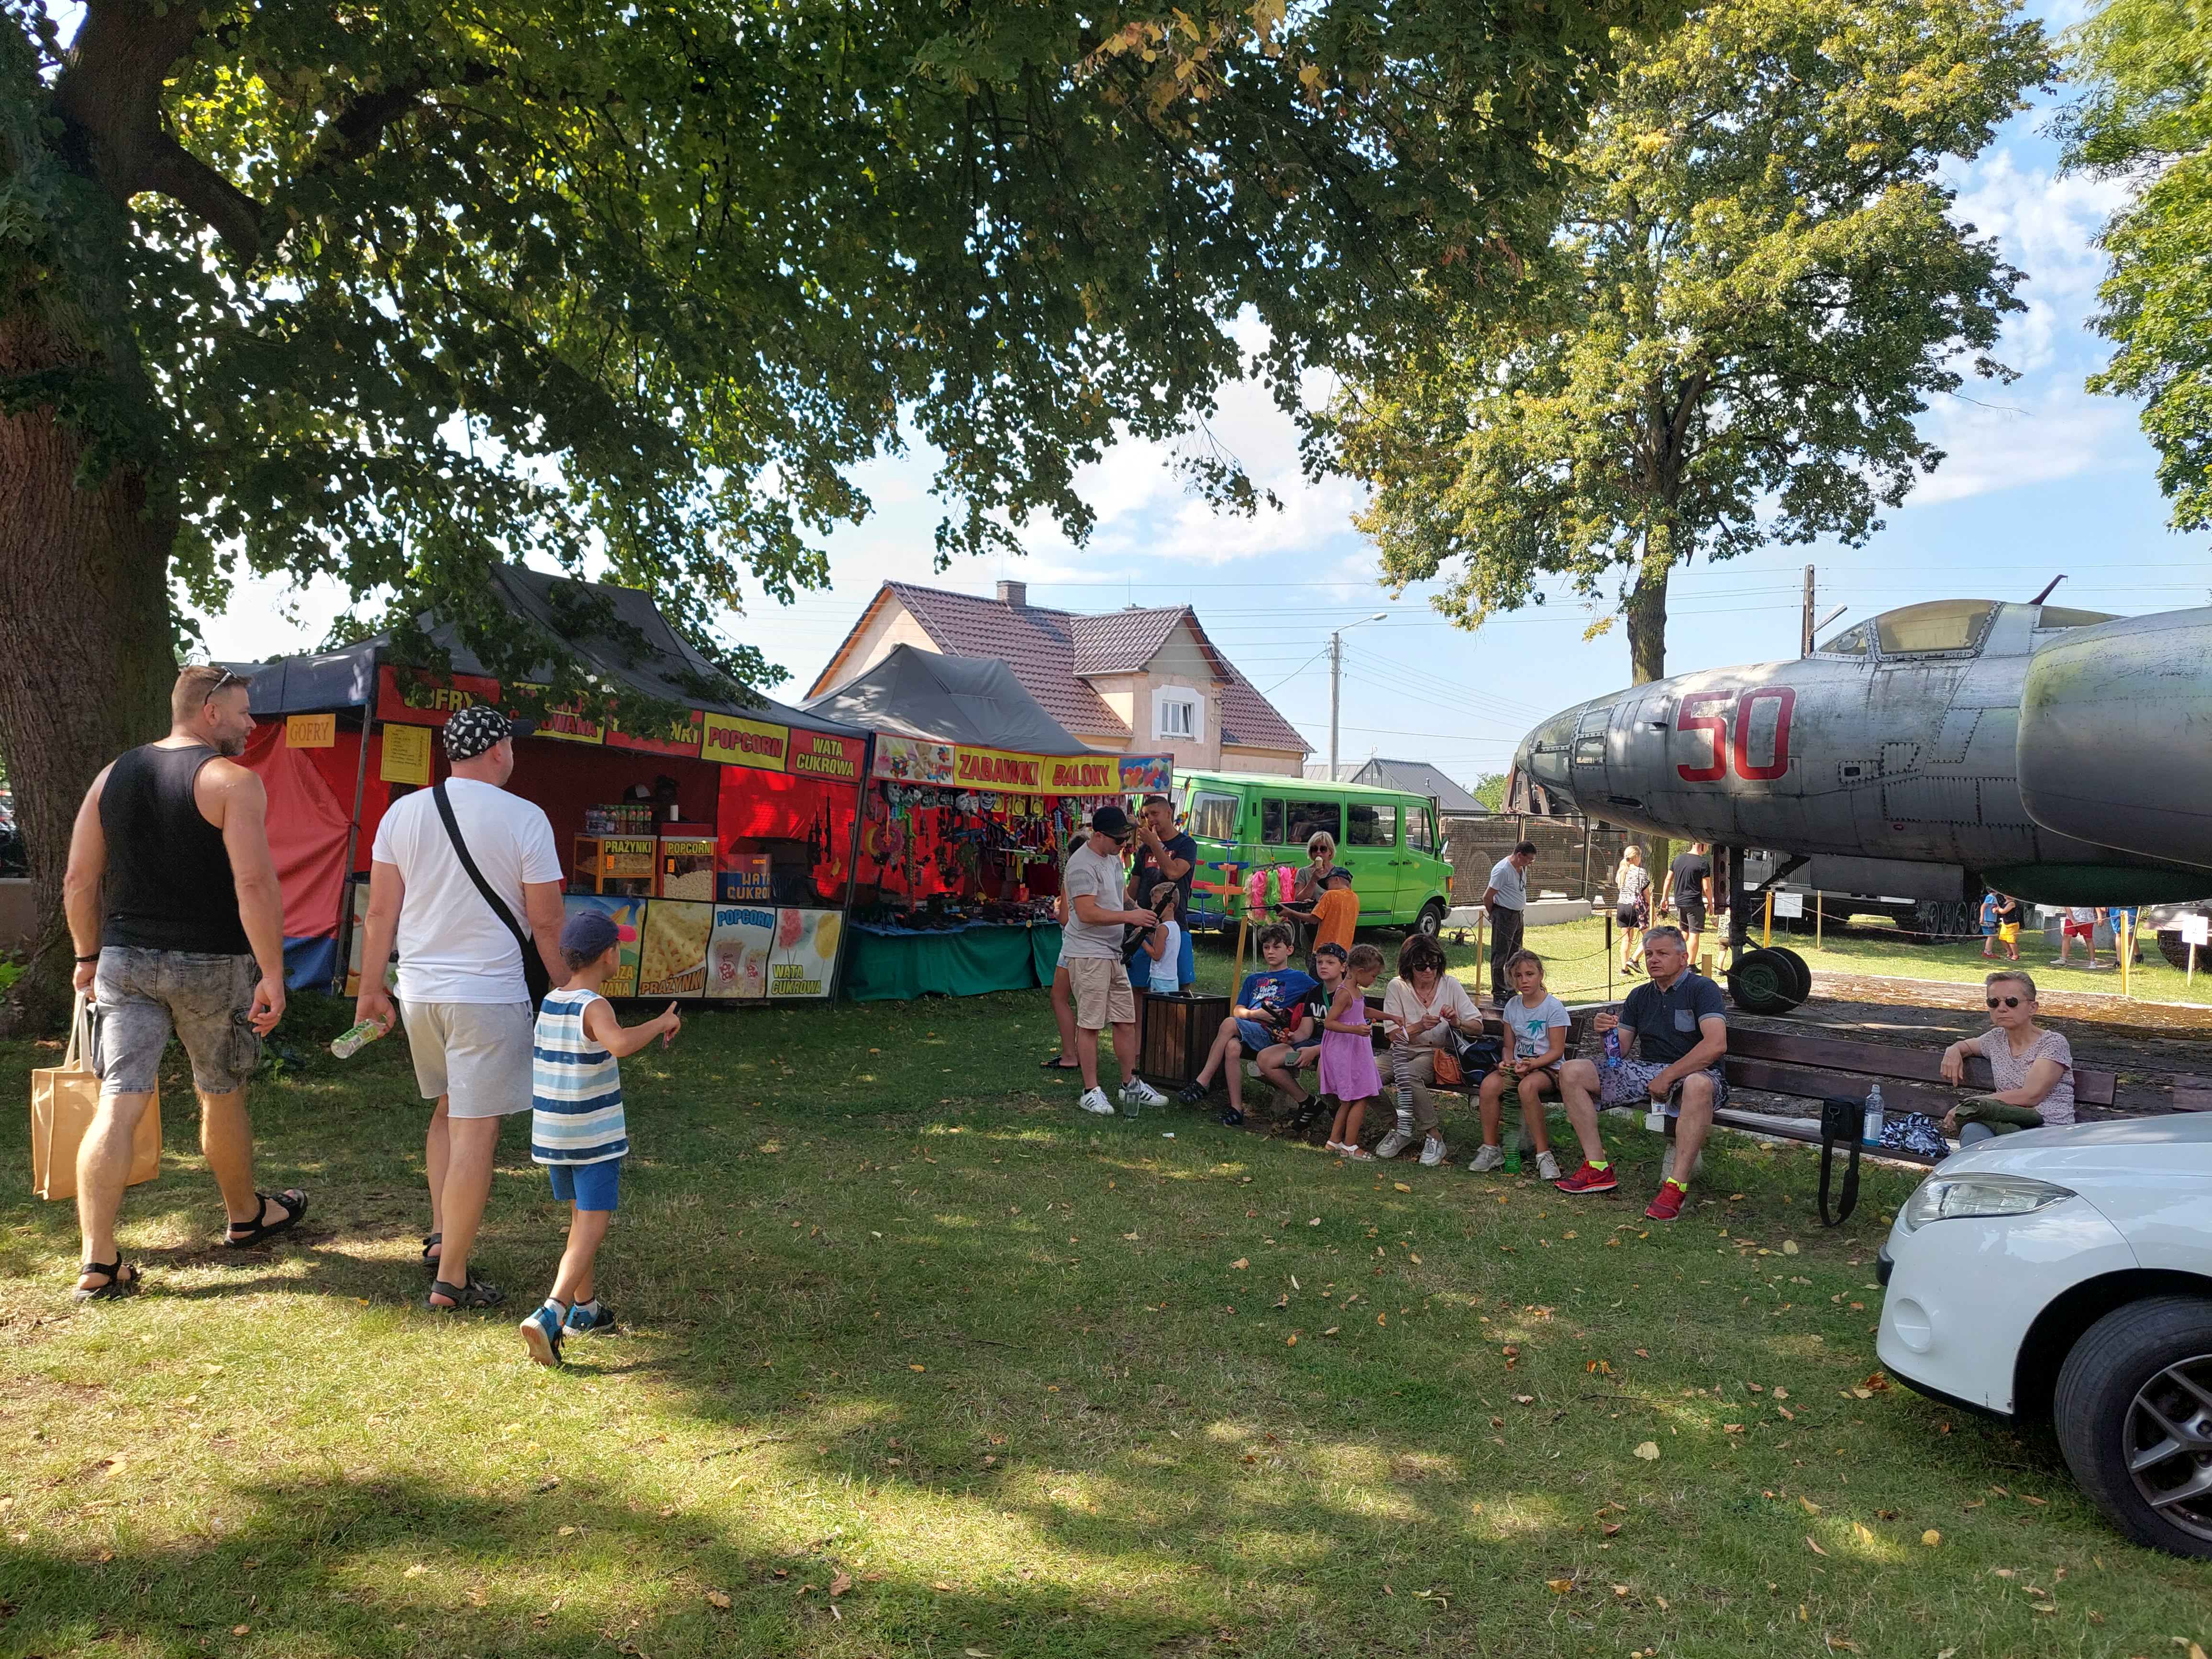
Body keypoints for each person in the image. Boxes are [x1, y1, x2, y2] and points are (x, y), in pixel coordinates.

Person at [59, 665, 299, 1301]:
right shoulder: (232, 782)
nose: (252, 725)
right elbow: (254, 884)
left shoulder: (112, 777)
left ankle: (98, 1261)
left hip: (124, 961)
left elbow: (79, 880)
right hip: (211, 964)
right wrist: (272, 972)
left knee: (119, 1102)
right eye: (245, 713)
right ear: (211, 711)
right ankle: (246, 1217)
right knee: (220, 1093)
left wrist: (87, 957)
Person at [354, 703, 566, 1311]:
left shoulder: (402, 813)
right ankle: (451, 1279)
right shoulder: (526, 817)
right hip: (488, 993)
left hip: (420, 992)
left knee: (448, 1112)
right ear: (499, 749)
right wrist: (568, 993)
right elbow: (548, 922)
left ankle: (444, 1234)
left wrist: (371, 989)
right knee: (478, 1129)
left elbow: (379, 914)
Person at [518, 911, 683, 1365]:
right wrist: (661, 1023)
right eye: (619, 947)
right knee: (593, 1225)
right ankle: (552, 1310)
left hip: (556, 1136)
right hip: (593, 1138)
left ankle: (585, 1311)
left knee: (579, 1221)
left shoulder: (553, 1000)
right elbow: (620, 1044)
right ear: (609, 954)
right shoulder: (595, 1005)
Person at [1553, 925, 1728, 1220]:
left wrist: (1669, 1076)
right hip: (1648, 1071)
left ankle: (1675, 1187)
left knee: (1697, 1085)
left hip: (1699, 1073)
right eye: (1648, 954)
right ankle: (1597, 1169)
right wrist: (1604, 1032)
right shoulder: (1639, 995)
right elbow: (1616, 1056)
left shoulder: (1702, 989)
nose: (1653, 959)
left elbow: (1715, 1045)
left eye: (1662, 953)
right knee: (1571, 1071)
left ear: (1684, 958)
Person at [1060, 804, 1169, 1117]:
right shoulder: (1081, 865)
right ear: (1098, 834)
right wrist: (1129, 916)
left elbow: (1120, 896)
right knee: (1091, 1023)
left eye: (1126, 839)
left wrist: (1141, 914)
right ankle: (1090, 1091)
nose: (1124, 844)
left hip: (1113, 952)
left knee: (1125, 1019)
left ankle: (1130, 1084)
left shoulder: (1112, 858)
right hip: (1087, 953)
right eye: (1118, 839)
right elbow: (1087, 913)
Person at [1177, 923, 1315, 1123]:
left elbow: (1324, 993)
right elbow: (1238, 1011)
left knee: (1228, 1024)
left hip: (1273, 1036)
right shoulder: (1254, 979)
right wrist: (1254, 1013)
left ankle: (1203, 1082)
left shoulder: (1299, 979)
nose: (1271, 952)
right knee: (1232, 1046)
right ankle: (1236, 1109)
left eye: (1277, 947)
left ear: (1290, 950)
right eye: (1267, 947)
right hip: (1251, 1029)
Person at [1376, 931, 1482, 1166]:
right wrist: (1418, 1027)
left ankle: (1434, 1137)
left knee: (1408, 1075)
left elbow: (1478, 1027)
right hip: (1402, 1050)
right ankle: (1398, 1128)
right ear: (1408, 966)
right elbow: (1393, 1035)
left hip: (1436, 1054)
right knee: (1365, 1074)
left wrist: (1457, 1022)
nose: (1428, 971)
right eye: (1421, 965)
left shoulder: (1450, 985)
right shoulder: (1398, 987)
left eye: (1433, 964)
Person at [1937, 970, 2076, 1143]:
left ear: (2033, 1007)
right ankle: (1979, 1169)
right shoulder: (1995, 1039)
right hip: (2007, 1124)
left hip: (2047, 1130)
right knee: (1973, 1130)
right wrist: (1953, 1051)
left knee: (1994, 1143)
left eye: (2011, 1002)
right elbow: (1966, 1046)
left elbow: (2030, 1096)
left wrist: (1972, 1104)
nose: (2001, 1008)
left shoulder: (2053, 1043)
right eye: (1993, 1002)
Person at [1470, 949, 1567, 1180]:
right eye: (1518, 976)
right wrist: (1507, 1062)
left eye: (1530, 974)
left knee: (1527, 1088)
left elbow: (1557, 1051)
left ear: (1541, 975)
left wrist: (1532, 1065)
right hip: (1519, 1066)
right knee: (1489, 1086)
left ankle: (1544, 1155)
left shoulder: (1553, 1007)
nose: (1524, 980)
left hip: (1547, 1068)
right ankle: (1491, 1149)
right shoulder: (1513, 1006)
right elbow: (1508, 1045)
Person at [1257, 944, 1340, 1133]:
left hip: (1338, 1046)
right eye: (1319, 962)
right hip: (1312, 1044)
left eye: (1330, 962)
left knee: (1323, 1068)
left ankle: (1337, 1110)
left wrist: (1316, 1051)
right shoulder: (1315, 993)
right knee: (1265, 1058)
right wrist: (1292, 1038)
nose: (1323, 967)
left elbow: (1347, 1036)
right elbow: (1305, 1031)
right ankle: (1307, 1102)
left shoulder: (1347, 995)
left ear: (1343, 967)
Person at [1322, 942, 1394, 1158]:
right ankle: (1351, 1146)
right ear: (1360, 972)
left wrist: (1392, 1017)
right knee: (1362, 1096)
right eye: (1373, 976)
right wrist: (1355, 1029)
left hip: (1355, 1051)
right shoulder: (1344, 993)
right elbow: (1329, 1023)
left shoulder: (1355, 991)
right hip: (1345, 1052)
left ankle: (1334, 1141)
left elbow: (1363, 1010)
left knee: (1350, 1098)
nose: (1374, 981)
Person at [1128, 795, 1198, 991]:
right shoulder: (1144, 850)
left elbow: (1174, 872)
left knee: (1181, 986)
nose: (1150, 819)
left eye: (1155, 813)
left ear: (1169, 813)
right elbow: (1133, 889)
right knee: (1139, 987)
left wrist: (1155, 845)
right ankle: (1141, 1023)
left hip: (1175, 926)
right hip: (1146, 927)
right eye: (1146, 815)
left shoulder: (1186, 845)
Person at [1482, 841, 1536, 1003]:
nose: (1530, 863)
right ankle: (1499, 992)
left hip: (1517, 915)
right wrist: (1495, 916)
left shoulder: (1521, 868)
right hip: (1504, 914)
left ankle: (1511, 989)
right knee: (1500, 955)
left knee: (1515, 954)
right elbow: (1487, 897)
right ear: (1520, 855)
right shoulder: (1502, 870)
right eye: (1529, 859)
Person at [1659, 841, 1713, 966]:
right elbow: (1706, 887)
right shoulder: (1703, 863)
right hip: (1694, 903)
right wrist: (1711, 903)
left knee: (1685, 932)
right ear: (1703, 846)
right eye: (1708, 846)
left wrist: (1664, 898)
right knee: (1695, 933)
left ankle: (1674, 958)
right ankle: (1691, 965)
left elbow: (1668, 880)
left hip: (1680, 902)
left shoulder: (1678, 859)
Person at [1139, 881, 1183, 995]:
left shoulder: (1163, 928)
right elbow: (1162, 947)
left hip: (1161, 979)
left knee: (1157, 1011)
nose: (1152, 908)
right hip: (1172, 979)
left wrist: (1141, 940)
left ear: (1170, 907)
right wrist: (1150, 935)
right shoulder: (1174, 926)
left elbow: (1157, 955)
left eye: (1156, 904)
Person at [1615, 846, 1651, 975]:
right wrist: (1651, 907)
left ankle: (1624, 969)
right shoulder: (1640, 872)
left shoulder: (1622, 871)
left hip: (1622, 907)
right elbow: (1646, 893)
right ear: (1636, 857)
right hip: (1634, 907)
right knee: (1649, 936)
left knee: (1626, 939)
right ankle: (1634, 960)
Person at [2058, 904, 2105, 968]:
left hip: (2087, 919)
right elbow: (2067, 906)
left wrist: (2100, 917)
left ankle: (2092, 962)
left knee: (2089, 940)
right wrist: (2073, 920)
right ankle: (2064, 959)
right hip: (2071, 918)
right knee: (2066, 936)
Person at [1991, 893, 2023, 962]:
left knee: (2011, 941)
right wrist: (1996, 910)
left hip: (2012, 925)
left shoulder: (2012, 903)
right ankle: (2010, 952)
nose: (2005, 895)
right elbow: (2001, 912)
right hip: (2006, 924)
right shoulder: (2006, 902)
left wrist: (1998, 908)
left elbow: (2004, 911)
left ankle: (2016, 956)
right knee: (2002, 938)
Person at [1978, 890, 2000, 959]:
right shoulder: (1991, 897)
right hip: (1988, 919)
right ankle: (1988, 952)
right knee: (1991, 936)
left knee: (1991, 936)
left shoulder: (1993, 898)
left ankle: (1987, 951)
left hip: (1990, 919)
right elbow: (1983, 907)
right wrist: (1982, 918)